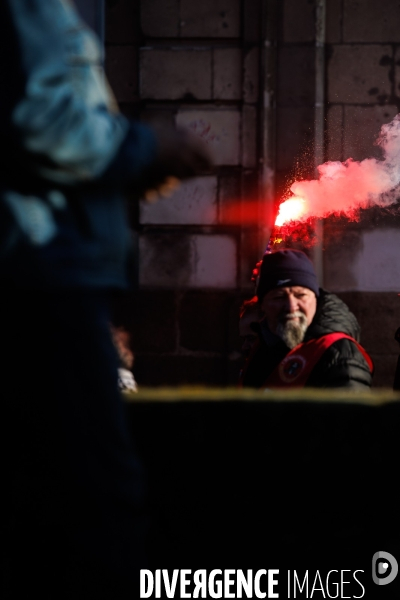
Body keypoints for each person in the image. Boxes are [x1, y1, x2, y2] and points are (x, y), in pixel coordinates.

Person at [1, 1, 212, 598]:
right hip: (42, 282)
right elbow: (44, 122)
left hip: (38, 276)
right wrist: (146, 149)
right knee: (97, 505)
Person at [240, 249, 373, 390]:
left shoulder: (339, 356)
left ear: (315, 299)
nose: (291, 307)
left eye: (301, 295)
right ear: (262, 304)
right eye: (279, 297)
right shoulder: (263, 344)